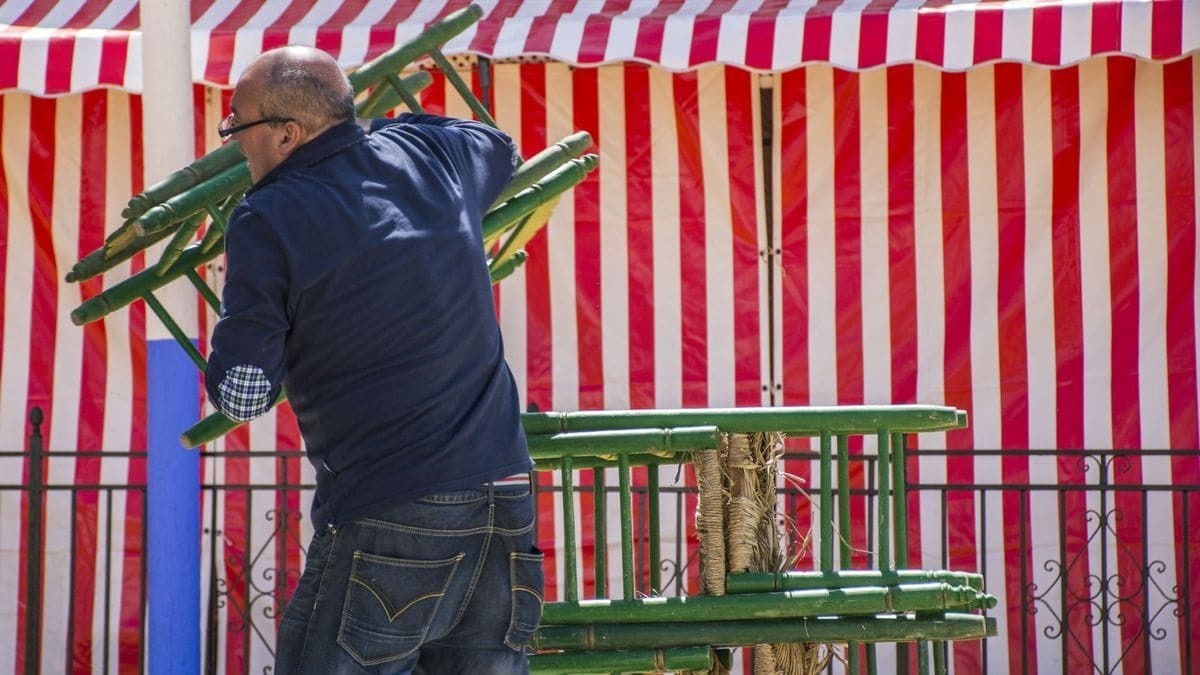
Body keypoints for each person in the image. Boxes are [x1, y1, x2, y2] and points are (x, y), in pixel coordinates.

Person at [204, 46, 543, 674]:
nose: (234, 141)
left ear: (286, 133)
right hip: (505, 493)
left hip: (392, 503)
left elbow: (243, 395)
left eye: (236, 125)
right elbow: (498, 144)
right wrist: (380, 128)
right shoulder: (429, 153)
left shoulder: (266, 215)